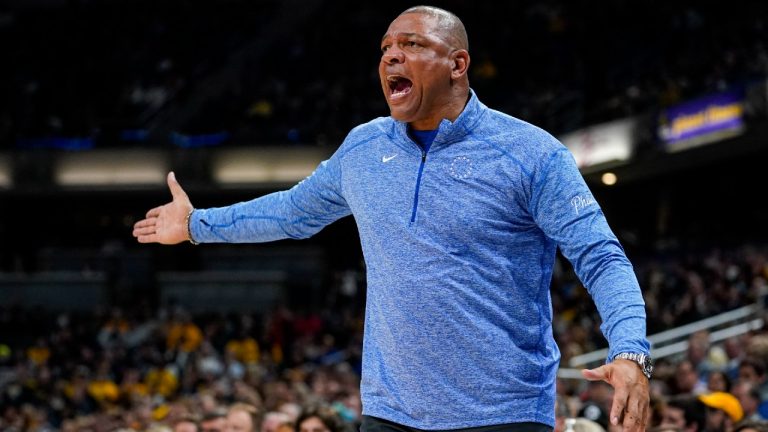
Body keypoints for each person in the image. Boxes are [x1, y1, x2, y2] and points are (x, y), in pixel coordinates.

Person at [133, 5, 651, 432]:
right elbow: (292, 212)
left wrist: (630, 351)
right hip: (390, 413)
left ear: (457, 63)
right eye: (385, 48)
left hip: (503, 413)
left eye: (411, 44)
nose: (391, 56)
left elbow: (600, 256)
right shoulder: (363, 147)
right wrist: (197, 224)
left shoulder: (531, 153)